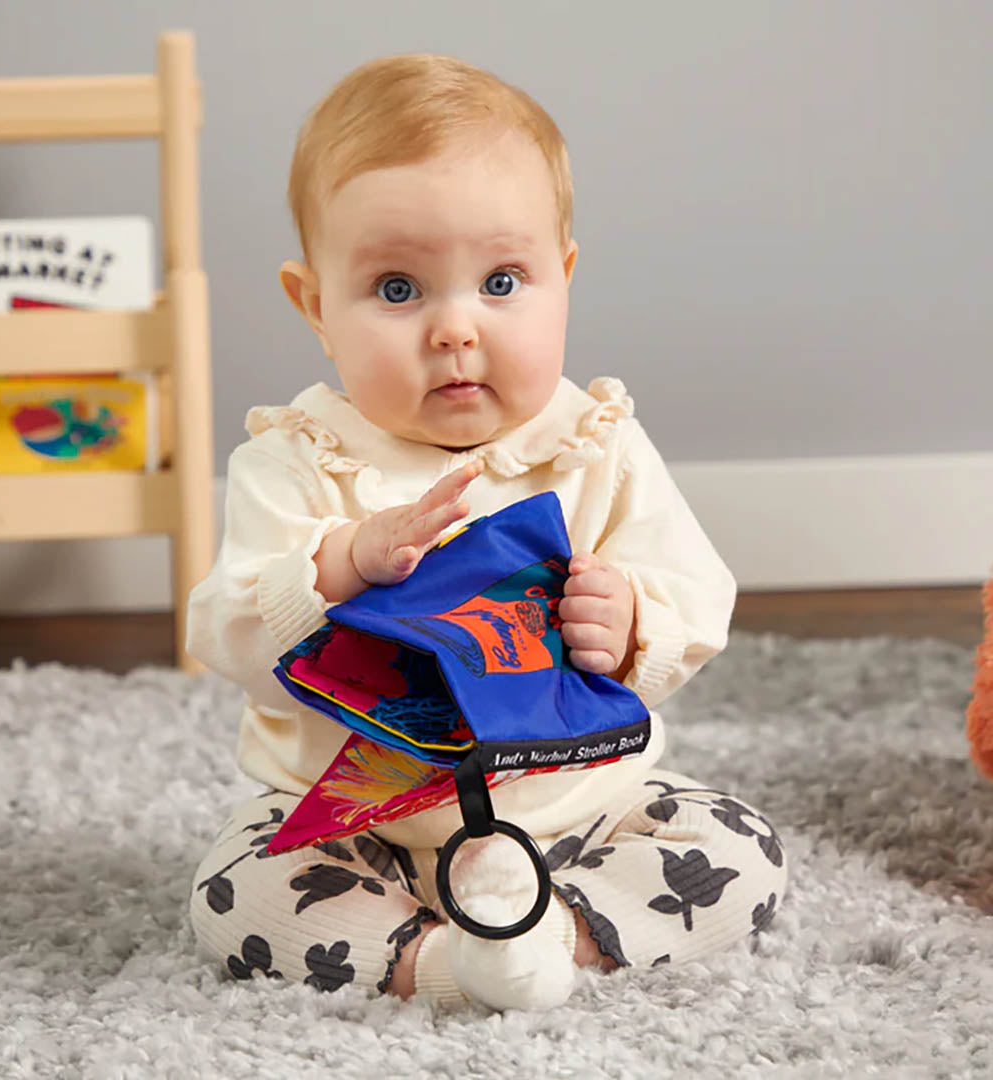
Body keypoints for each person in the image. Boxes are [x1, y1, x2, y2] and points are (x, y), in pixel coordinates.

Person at [186, 53, 786, 1012]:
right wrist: (336, 567)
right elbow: (222, 630)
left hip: (578, 809)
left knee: (736, 845)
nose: (456, 328)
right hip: (359, 830)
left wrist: (631, 622)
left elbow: (695, 592)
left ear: (565, 276)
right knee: (234, 892)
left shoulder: (598, 444)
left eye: (503, 280)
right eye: (396, 290)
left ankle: (559, 930)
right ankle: (441, 963)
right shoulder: (295, 461)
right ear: (315, 307)